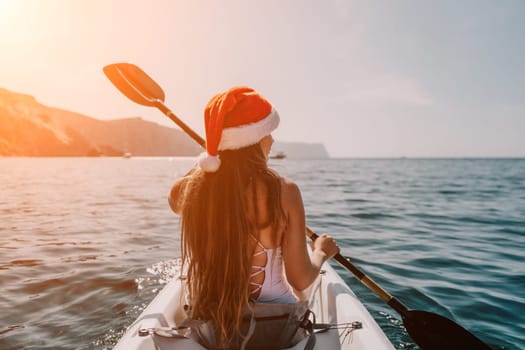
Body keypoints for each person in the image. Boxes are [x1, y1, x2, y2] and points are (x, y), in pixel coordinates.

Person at [168, 86, 339, 349]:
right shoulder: (286, 192)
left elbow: (175, 200)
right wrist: (320, 252)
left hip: (211, 324)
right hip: (276, 325)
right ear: (255, 139)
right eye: (267, 132)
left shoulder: (192, 190)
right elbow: (301, 279)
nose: (272, 141)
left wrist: (213, 155)